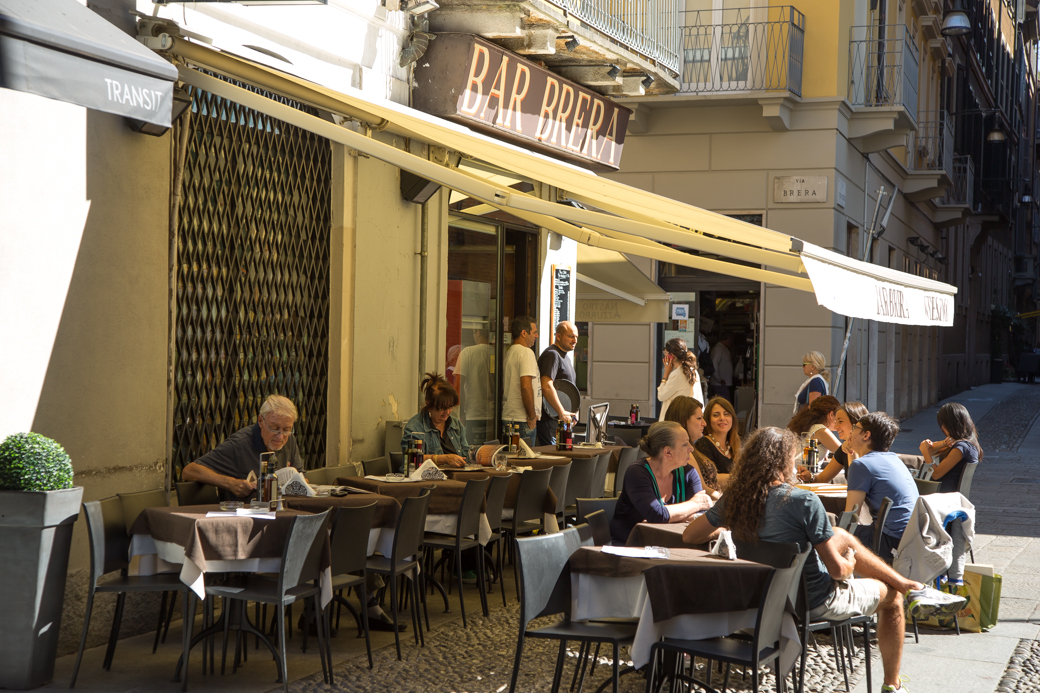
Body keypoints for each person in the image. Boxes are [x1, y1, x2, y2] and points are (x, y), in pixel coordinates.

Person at [683, 427, 922, 693]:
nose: (796, 465)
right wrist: (851, 564)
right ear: (783, 462)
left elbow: (689, 536)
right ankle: (892, 684)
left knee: (841, 535)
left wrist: (730, 528)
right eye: (793, 459)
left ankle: (903, 581)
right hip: (810, 599)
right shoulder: (804, 501)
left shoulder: (736, 499)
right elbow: (838, 571)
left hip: (757, 597)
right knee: (893, 600)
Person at [609, 421, 713, 545]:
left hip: (671, 544)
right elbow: (657, 514)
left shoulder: (688, 472)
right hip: (632, 547)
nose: (691, 448)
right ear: (668, 452)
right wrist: (695, 504)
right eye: (685, 444)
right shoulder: (637, 472)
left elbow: (703, 514)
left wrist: (669, 516)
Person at [182, 394, 303, 499]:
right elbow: (189, 471)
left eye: (287, 429)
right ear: (261, 421)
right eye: (274, 428)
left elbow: (303, 477)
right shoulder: (239, 444)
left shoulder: (289, 439)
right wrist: (231, 483)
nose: (281, 436)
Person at [845, 412, 919, 563]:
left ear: (866, 435)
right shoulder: (893, 459)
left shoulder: (862, 465)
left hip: (888, 540)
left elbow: (851, 516)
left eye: (855, 427)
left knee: (828, 530)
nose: (851, 432)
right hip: (912, 537)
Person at [402, 372, 470, 468]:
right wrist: (444, 459)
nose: (447, 412)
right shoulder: (415, 427)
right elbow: (412, 459)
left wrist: (480, 453)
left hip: (452, 478)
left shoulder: (455, 424)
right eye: (442, 408)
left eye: (450, 407)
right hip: (424, 479)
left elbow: (466, 453)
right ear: (428, 406)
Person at [663, 395, 722, 499]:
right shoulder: (682, 453)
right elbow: (703, 491)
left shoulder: (691, 449)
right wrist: (730, 500)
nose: (704, 423)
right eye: (699, 418)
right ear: (683, 421)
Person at [919, 402, 983, 494]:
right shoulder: (968, 445)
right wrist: (944, 443)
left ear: (946, 425)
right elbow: (932, 450)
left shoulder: (960, 448)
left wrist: (925, 451)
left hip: (944, 495)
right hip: (951, 494)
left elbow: (936, 474)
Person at [801, 401, 869, 484]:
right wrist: (809, 476)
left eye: (840, 421)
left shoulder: (871, 448)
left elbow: (858, 484)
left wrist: (852, 450)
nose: (836, 427)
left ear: (856, 422)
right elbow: (821, 479)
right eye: (836, 421)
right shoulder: (843, 450)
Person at [537, 321, 578, 446]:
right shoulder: (552, 355)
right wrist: (561, 412)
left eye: (576, 337)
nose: (575, 340)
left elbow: (570, 389)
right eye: (571, 336)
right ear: (558, 336)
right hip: (551, 421)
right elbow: (546, 385)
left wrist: (574, 412)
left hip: (563, 422)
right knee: (555, 459)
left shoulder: (566, 357)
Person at [502, 316, 541, 447]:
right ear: (524, 333)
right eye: (534, 332)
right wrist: (531, 416)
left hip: (509, 417)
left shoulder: (510, 352)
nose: (537, 336)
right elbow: (526, 386)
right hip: (522, 419)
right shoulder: (526, 353)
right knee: (526, 463)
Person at [788, 395, 843, 481]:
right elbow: (843, 452)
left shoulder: (808, 425)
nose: (838, 424)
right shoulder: (821, 429)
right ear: (831, 414)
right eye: (838, 419)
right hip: (801, 476)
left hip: (794, 473)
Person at [455, 327, 494, 446]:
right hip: (494, 415)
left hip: (473, 413)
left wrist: (460, 413)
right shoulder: (498, 352)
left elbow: (458, 384)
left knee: (472, 453)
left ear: (477, 332)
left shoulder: (468, 352)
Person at [657, 337, 703, 421]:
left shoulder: (677, 374)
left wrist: (666, 374)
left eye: (665, 353)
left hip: (674, 420)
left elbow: (661, 396)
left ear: (671, 356)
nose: (664, 355)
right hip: (688, 418)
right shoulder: (693, 372)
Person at [694, 396, 740, 475]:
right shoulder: (702, 445)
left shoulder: (735, 444)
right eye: (716, 415)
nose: (722, 418)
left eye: (726, 414)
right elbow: (710, 479)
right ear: (708, 419)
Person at [709, 333, 735, 401]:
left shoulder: (723, 348)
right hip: (719, 384)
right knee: (724, 402)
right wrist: (719, 379)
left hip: (722, 383)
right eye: (730, 339)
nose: (731, 342)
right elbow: (714, 364)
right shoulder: (719, 349)